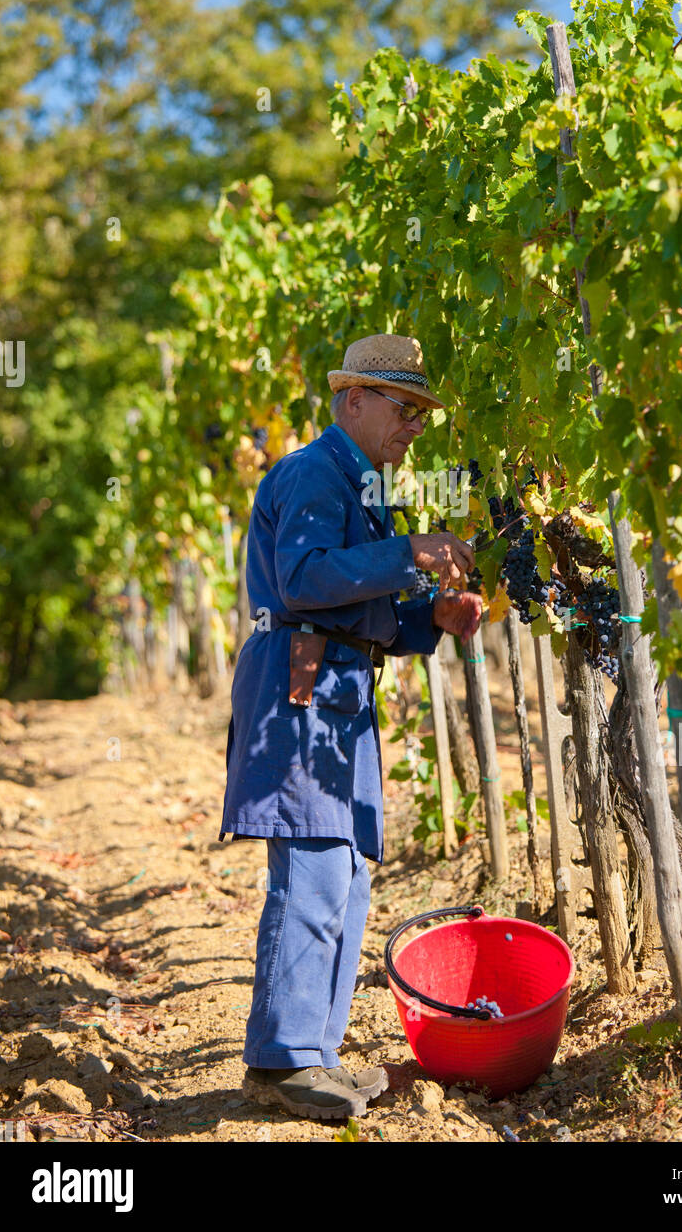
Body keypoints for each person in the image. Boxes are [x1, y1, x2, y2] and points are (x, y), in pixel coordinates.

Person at [218, 333, 482, 1121]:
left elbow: (364, 617)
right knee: (312, 876)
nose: (414, 429)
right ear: (353, 400)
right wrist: (411, 552)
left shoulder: (363, 488)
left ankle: (315, 1055)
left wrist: (427, 615)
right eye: (405, 410)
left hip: (335, 695)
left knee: (347, 876)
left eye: (421, 417)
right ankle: (281, 1061)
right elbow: (303, 580)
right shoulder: (313, 473)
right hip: (300, 696)